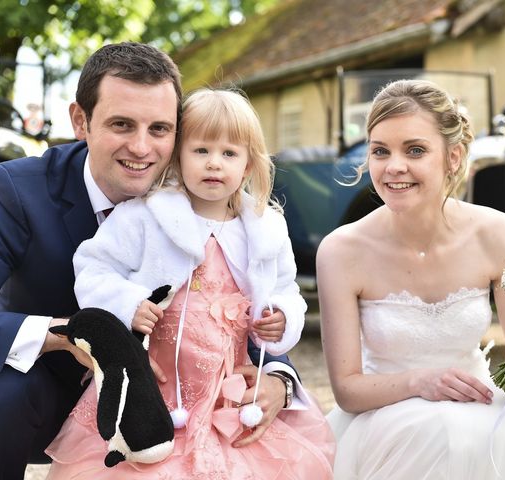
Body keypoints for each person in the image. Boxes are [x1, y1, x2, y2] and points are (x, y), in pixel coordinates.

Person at [0, 42, 306, 480]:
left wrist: (279, 378)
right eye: (121, 124)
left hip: (180, 401)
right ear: (81, 121)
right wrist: (65, 336)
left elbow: (244, 301)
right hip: (53, 390)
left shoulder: (219, 207)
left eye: (159, 129)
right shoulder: (16, 192)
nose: (141, 147)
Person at [45, 87, 335, 478]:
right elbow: (94, 267)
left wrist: (281, 315)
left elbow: (287, 289)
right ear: (179, 156)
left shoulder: (264, 229)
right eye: (201, 151)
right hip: (158, 388)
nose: (214, 164)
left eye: (229, 153)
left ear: (248, 165)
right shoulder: (145, 216)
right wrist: (127, 303)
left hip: (227, 395)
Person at [317, 79, 505, 479]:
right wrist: (421, 382)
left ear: (452, 157)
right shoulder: (341, 250)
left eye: (415, 150)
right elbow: (348, 391)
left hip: (474, 400)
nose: (394, 166)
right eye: (380, 151)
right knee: (440, 432)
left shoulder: (497, 232)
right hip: (385, 412)